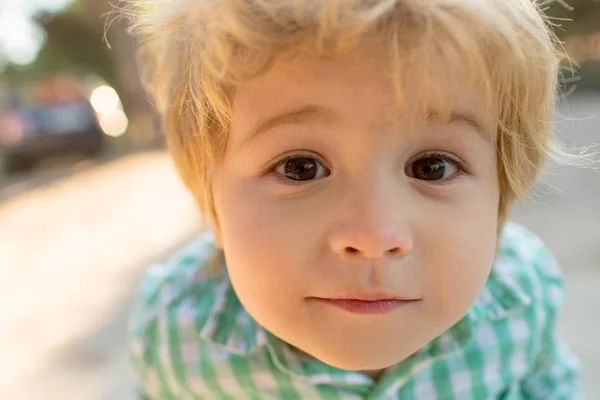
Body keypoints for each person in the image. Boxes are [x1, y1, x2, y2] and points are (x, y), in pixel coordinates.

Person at [123, 0, 584, 398]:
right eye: (299, 168)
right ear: (213, 205)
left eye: (432, 167)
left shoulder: (523, 298)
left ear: (501, 198)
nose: (374, 235)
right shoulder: (175, 332)